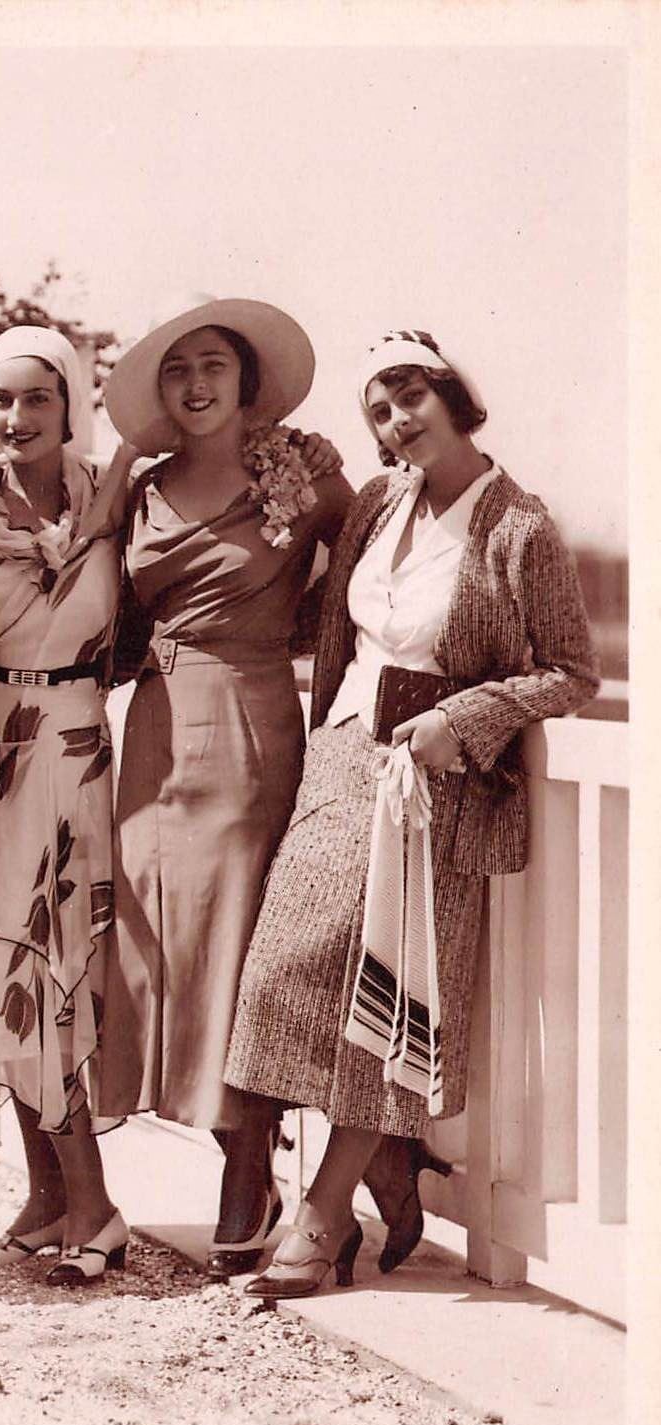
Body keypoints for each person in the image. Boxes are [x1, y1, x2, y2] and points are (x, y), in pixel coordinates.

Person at [223, 329, 599, 1298]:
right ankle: (388, 1163)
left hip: (437, 789)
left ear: (453, 394)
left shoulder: (519, 526)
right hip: (342, 761)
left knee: (386, 998)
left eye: (410, 397)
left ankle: (321, 1218)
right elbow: (338, 630)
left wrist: (461, 719)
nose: (396, 421)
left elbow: (569, 671)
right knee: (277, 978)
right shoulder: (379, 503)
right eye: (378, 410)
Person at [97, 296, 353, 1277]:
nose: (195, 383)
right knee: (158, 945)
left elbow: (372, 571)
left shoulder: (301, 476)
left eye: (213, 365)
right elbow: (91, 585)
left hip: (251, 724)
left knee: (238, 947)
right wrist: (121, 460)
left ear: (247, 382)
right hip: (155, 728)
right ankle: (233, 1153)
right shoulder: (143, 488)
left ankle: (246, 1174)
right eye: (177, 369)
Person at [0, 326, 138, 1286]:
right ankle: (51, 1199)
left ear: (70, 405)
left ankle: (94, 1205)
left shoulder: (121, 497)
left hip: (76, 742)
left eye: (37, 398)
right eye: (2, 398)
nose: (16, 417)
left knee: (58, 969)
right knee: (0, 965)